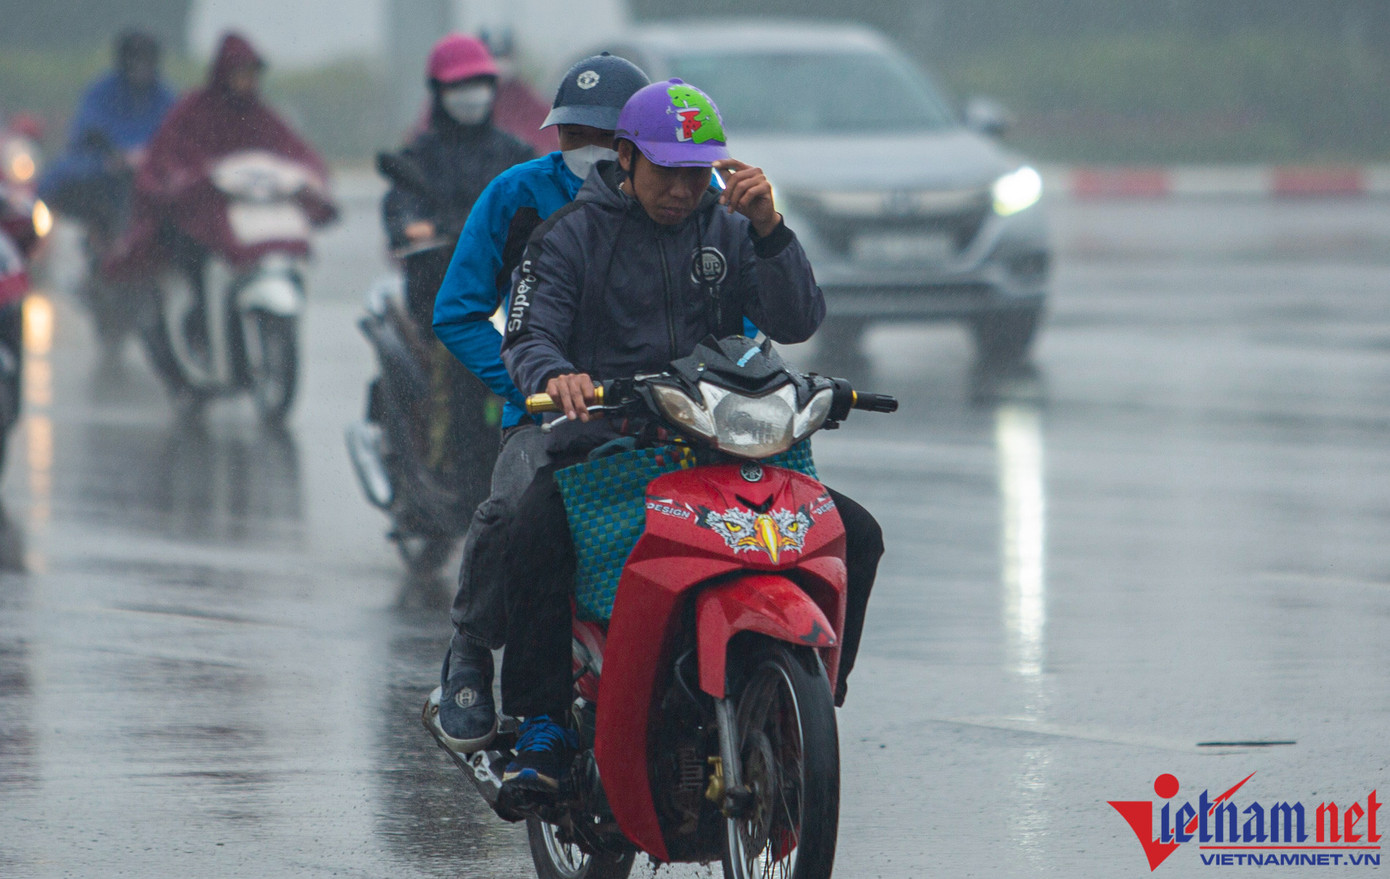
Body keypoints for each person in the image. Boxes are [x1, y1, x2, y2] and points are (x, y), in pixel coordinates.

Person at [495, 79, 884, 798]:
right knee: (534, 531)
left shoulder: (735, 228)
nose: (682, 188)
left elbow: (797, 320)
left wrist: (772, 230)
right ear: (625, 157)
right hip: (609, 446)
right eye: (667, 171)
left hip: (723, 442)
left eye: (696, 171)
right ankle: (541, 721)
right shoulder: (567, 236)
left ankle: (804, 704)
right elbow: (528, 334)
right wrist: (559, 375)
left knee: (854, 533)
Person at [428, 53, 650, 753]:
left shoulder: (676, 202)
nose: (583, 147)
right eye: (570, 132)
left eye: (602, 133)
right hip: (545, 416)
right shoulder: (517, 195)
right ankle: (469, 649)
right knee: (515, 512)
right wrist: (527, 386)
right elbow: (458, 310)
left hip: (656, 410)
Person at [111, 32, 335, 295]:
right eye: (240, 72)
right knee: (191, 259)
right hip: (199, 215)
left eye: (252, 73)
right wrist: (187, 180)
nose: (247, 80)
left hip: (249, 212)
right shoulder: (193, 109)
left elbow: (295, 152)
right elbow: (166, 159)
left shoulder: (260, 115)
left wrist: (312, 177)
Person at [383, 33, 534, 334]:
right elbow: (401, 203)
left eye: (478, 84)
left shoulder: (516, 153)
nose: (471, 94)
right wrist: (411, 224)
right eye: (460, 86)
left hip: (512, 284)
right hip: (441, 288)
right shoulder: (418, 157)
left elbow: (544, 200)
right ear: (438, 91)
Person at [38, 30, 176, 243]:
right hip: (100, 171)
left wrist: (144, 157)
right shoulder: (102, 92)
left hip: (150, 177)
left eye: (145, 59)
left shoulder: (164, 97)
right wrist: (115, 155)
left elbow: (174, 136)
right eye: (135, 58)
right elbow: (87, 132)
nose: (140, 66)